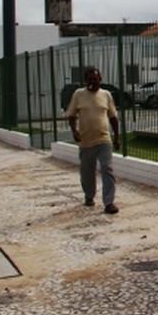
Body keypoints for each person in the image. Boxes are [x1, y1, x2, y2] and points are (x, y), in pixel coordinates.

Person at [66, 67, 121, 214]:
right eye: (90, 80)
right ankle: (89, 195)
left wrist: (116, 137)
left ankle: (109, 202)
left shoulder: (106, 95)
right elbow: (71, 115)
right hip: (86, 141)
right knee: (87, 172)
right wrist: (74, 131)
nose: (93, 82)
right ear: (85, 81)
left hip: (103, 140)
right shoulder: (79, 95)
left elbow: (113, 117)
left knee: (107, 169)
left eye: (95, 80)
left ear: (100, 80)